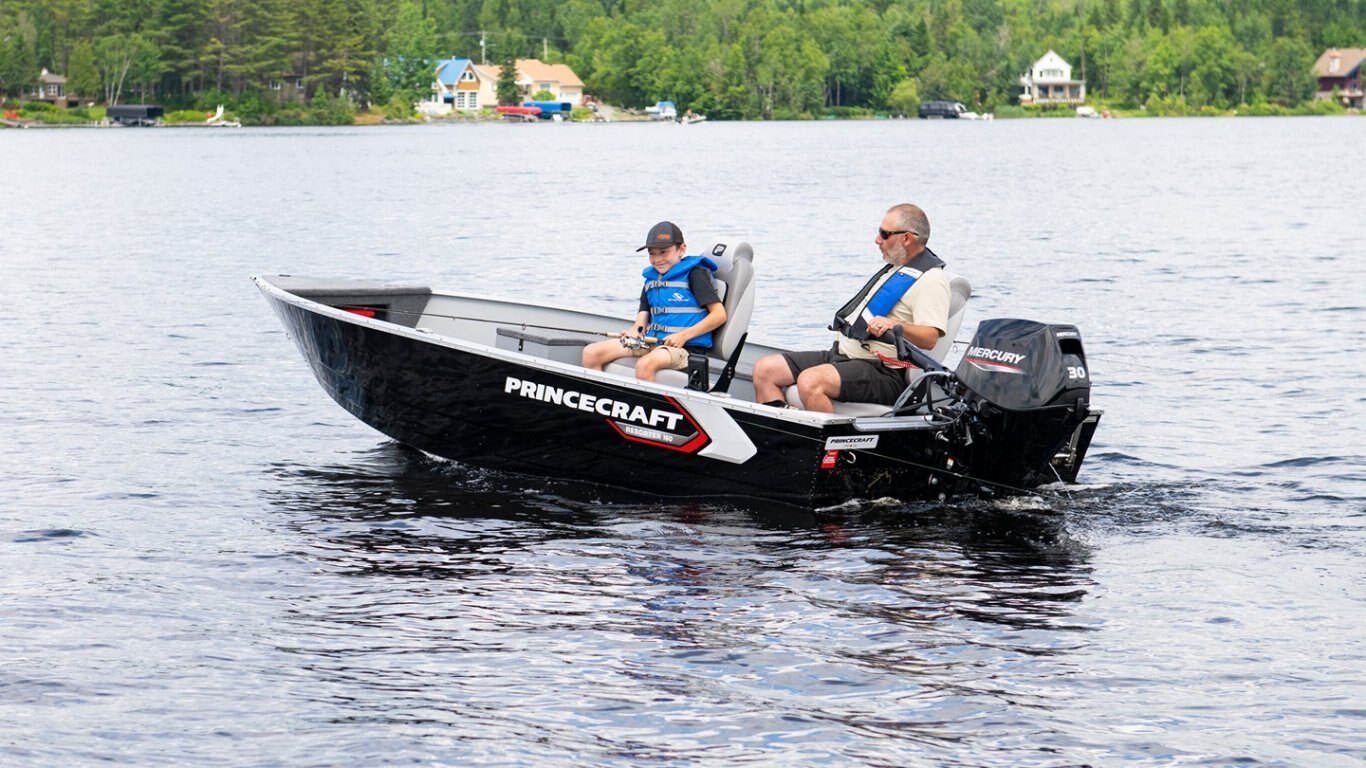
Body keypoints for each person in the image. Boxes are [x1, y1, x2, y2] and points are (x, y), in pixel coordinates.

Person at [752, 203, 951, 413]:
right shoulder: (898, 268)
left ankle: (831, 436)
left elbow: (930, 338)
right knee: (765, 370)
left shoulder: (931, 280)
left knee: (810, 382)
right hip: (844, 355)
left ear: (907, 238)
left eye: (884, 234)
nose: (877, 240)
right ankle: (782, 431)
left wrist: (894, 324)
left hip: (884, 371)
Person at [582, 221, 727, 383]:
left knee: (645, 364)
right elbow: (641, 321)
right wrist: (634, 332)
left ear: (681, 249)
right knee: (591, 353)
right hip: (652, 342)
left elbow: (719, 315)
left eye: (664, 252)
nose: (657, 259)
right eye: (652, 253)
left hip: (686, 348)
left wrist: (683, 336)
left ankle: (646, 400)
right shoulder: (651, 280)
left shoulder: (695, 274)